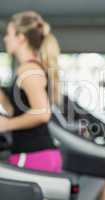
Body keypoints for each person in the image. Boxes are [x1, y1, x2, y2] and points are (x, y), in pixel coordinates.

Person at [0, 11, 62, 172]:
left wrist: (7, 125)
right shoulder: (28, 68)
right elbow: (16, 110)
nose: (5, 38)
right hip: (37, 154)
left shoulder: (29, 69)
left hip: (33, 154)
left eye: (8, 34)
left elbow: (42, 113)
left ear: (21, 38)